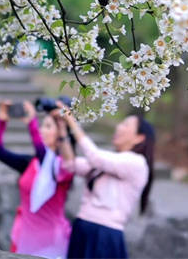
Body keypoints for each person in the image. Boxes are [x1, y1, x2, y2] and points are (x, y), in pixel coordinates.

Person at [58, 108, 154, 259]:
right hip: (83, 227)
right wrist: (62, 129)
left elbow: (95, 157)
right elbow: (71, 165)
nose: (118, 127)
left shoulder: (137, 163)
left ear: (139, 138)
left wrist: (73, 123)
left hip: (105, 234)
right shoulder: (110, 160)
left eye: (126, 125)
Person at [0, 100, 73, 258]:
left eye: (48, 126)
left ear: (61, 135)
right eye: (42, 125)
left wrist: (32, 123)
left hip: (50, 243)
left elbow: (44, 155)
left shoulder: (62, 168)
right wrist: (2, 118)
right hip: (24, 237)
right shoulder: (31, 163)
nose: (41, 130)